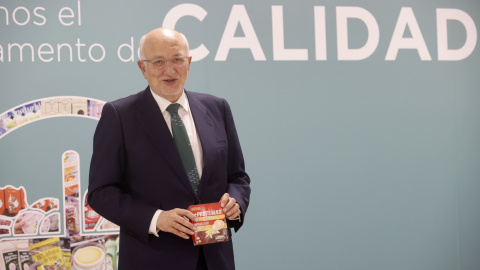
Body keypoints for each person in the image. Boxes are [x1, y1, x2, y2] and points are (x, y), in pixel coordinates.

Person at [88, 27, 251, 270]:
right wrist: (156, 219)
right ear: (142, 68)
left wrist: (235, 202)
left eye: (177, 60)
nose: (169, 69)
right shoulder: (120, 116)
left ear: (189, 63)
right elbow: (101, 193)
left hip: (215, 258)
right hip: (153, 258)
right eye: (158, 62)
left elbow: (237, 176)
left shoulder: (217, 108)